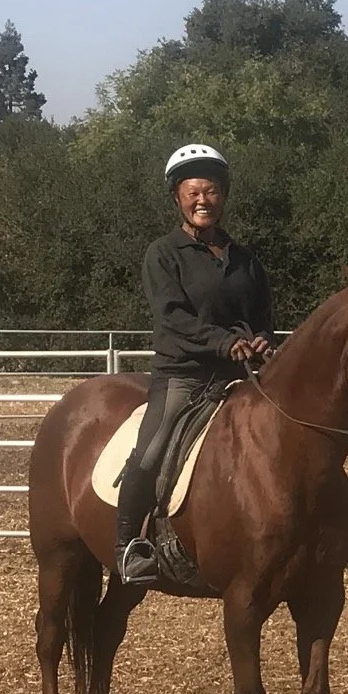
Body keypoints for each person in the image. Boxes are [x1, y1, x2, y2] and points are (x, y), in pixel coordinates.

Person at [116, 144, 275, 585]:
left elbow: (263, 316)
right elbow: (173, 319)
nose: (203, 199)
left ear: (224, 195)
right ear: (177, 197)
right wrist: (224, 342)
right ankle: (130, 544)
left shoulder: (245, 260)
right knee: (149, 453)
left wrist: (262, 338)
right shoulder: (163, 254)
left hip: (241, 375)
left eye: (212, 191)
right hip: (184, 374)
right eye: (193, 192)